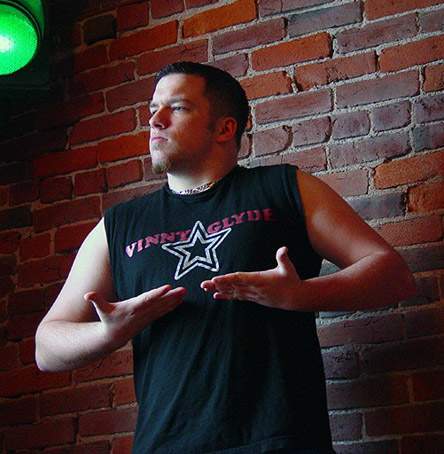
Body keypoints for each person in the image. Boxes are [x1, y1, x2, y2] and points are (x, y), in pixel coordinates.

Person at [35, 61, 416, 454]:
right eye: (153, 108)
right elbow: (46, 347)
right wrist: (109, 333)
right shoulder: (120, 225)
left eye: (177, 107)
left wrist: (302, 295)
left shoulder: (283, 188)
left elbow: (392, 275)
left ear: (224, 128)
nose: (155, 120)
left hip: (281, 443)